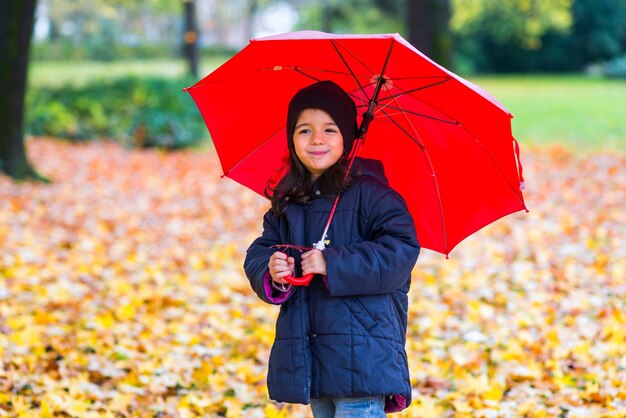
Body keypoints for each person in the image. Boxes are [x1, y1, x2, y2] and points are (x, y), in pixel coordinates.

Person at [244, 80, 420, 417]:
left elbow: (399, 251)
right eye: (304, 131)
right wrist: (272, 267)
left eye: (329, 130)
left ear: (348, 137)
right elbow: (261, 248)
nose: (317, 140)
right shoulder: (290, 200)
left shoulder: (373, 195)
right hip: (312, 352)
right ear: (291, 139)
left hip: (364, 356)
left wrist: (332, 263)